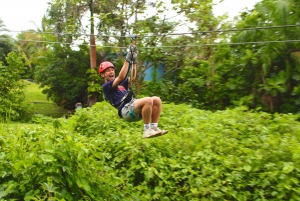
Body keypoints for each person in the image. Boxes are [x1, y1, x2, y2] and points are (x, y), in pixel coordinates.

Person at [99, 47, 168, 138]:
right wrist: (127, 58)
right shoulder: (106, 86)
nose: (111, 72)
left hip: (133, 107)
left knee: (157, 100)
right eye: (108, 71)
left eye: (112, 70)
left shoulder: (121, 83)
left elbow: (132, 78)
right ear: (102, 75)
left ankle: (154, 127)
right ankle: (147, 130)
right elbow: (121, 76)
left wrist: (134, 62)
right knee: (148, 100)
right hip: (126, 110)